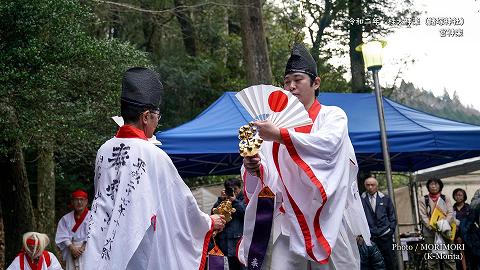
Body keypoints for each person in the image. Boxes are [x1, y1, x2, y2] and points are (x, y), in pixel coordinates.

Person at [238, 43, 370, 269]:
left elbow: (327, 147)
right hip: (288, 219)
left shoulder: (332, 116)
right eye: (286, 81)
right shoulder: (275, 124)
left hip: (328, 217)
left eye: (297, 80)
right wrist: (255, 167)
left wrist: (281, 135)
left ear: (315, 83)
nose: (290, 86)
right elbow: (270, 175)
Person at [83, 67, 225, 269]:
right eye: (157, 117)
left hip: (102, 244)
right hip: (137, 248)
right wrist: (208, 222)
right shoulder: (154, 155)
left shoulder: (103, 150)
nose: (157, 123)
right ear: (146, 116)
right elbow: (181, 206)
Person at [418, 178, 456, 270]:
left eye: (436, 184)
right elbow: (423, 216)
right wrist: (432, 227)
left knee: (449, 258)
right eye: (431, 184)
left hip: (445, 231)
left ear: (440, 186)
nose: (434, 186)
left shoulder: (445, 198)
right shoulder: (423, 199)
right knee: (432, 258)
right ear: (428, 186)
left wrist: (443, 225)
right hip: (430, 233)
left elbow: (450, 213)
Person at [360, 176, 397, 270]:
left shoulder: (385, 198)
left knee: (389, 261)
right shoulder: (361, 200)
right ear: (365, 186)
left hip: (385, 236)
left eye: (372, 185)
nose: (370, 187)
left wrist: (390, 231)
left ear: (377, 186)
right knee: (372, 263)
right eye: (368, 185)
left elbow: (392, 217)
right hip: (369, 237)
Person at [211, 178, 246, 270]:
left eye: (235, 189)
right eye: (230, 189)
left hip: (239, 243)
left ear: (240, 188)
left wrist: (234, 201)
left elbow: (245, 213)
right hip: (225, 243)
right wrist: (220, 200)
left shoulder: (245, 199)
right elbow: (214, 214)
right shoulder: (223, 200)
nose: (233, 192)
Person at [55, 189, 89, 270]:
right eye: (76, 199)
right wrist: (72, 248)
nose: (79, 202)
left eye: (82, 199)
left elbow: (94, 234)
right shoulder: (65, 219)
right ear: (72, 201)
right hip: (71, 249)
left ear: (86, 201)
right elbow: (62, 234)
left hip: (88, 250)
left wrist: (83, 247)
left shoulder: (92, 217)